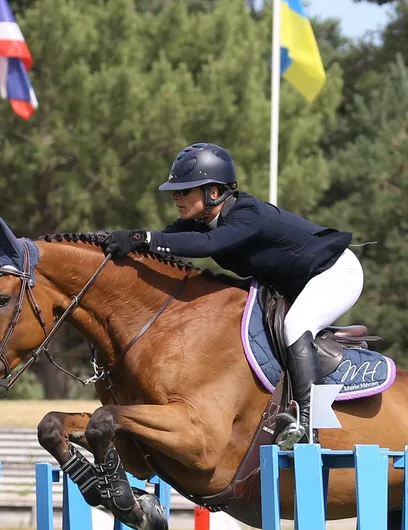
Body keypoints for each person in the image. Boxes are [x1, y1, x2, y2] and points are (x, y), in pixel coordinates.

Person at [101, 143, 361, 448]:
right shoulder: (199, 221)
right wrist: (120, 242)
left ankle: (308, 424)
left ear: (213, 193)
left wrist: (142, 238)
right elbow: (165, 240)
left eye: (184, 190)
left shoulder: (248, 215)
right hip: (295, 282)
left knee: (296, 325)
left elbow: (209, 245)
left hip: (335, 273)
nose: (176, 197)